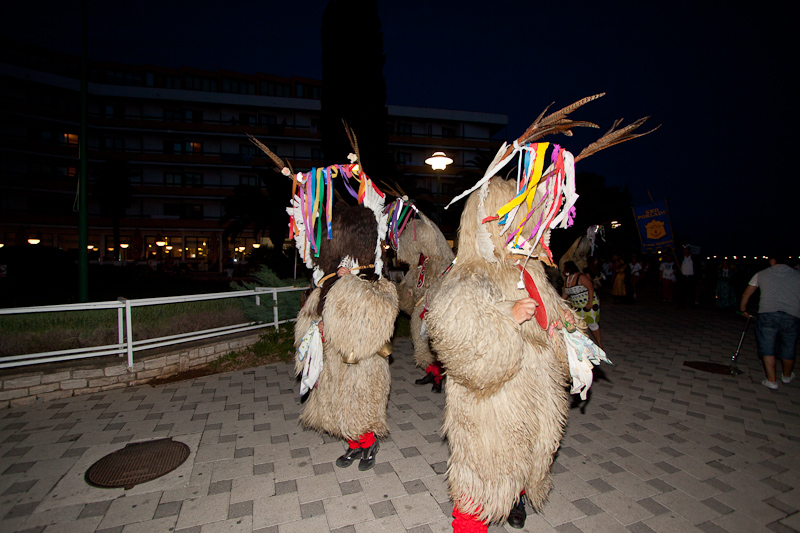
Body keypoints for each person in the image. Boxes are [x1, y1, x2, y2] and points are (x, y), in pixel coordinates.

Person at [739, 255, 800, 390]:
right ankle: (786, 375)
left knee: (767, 347)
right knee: (789, 346)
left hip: (768, 314)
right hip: (792, 315)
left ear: (773, 260)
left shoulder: (762, 274)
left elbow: (746, 294)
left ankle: (771, 380)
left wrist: (743, 309)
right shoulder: (797, 275)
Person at [562, 260, 603, 349]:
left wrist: (590, 303)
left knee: (592, 324)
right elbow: (566, 293)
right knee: (578, 324)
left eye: (564, 268)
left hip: (588, 303)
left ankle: (600, 345)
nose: (562, 270)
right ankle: (583, 346)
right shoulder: (567, 279)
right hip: (577, 305)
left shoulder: (580, 277)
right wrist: (560, 301)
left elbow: (590, 288)